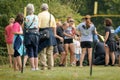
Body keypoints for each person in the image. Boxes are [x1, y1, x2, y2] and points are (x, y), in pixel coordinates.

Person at [38, 3, 57, 70]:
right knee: (50, 52)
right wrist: (54, 35)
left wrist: (37, 34)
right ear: (47, 8)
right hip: (51, 33)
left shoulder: (40, 15)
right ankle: (51, 66)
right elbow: (54, 26)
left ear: (41, 8)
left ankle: (44, 66)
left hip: (42, 33)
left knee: (42, 51)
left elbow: (38, 26)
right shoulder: (51, 15)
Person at [24, 3, 39, 70]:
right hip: (35, 34)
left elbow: (24, 27)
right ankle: (36, 67)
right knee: (36, 50)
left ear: (27, 10)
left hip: (28, 34)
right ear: (33, 9)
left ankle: (33, 67)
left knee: (30, 50)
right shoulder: (36, 17)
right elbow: (38, 26)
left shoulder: (26, 18)